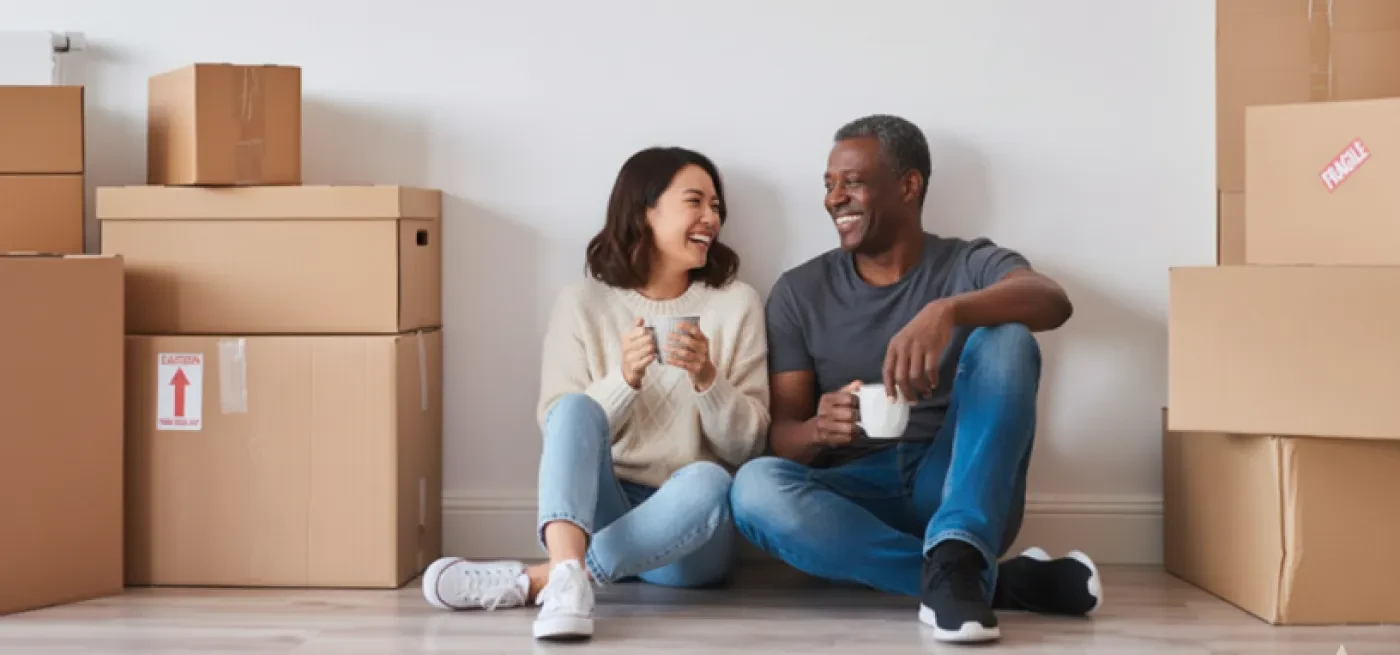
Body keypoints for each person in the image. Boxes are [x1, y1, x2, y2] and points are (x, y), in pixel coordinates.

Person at [729, 115, 1101, 644]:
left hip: (951, 481)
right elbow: (779, 437)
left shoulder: (967, 263)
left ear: (909, 185)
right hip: (857, 496)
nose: (835, 198)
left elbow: (1052, 300)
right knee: (753, 489)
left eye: (852, 182)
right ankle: (984, 580)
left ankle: (959, 547)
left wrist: (947, 312)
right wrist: (816, 430)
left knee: (1008, 338)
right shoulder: (799, 291)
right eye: (829, 184)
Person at [420, 146, 770, 641]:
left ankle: (542, 578)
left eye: (717, 207)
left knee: (712, 481)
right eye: (696, 202)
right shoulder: (582, 303)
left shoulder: (737, 304)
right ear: (644, 211)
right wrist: (624, 380)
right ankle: (568, 577)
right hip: (603, 504)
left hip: (690, 535)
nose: (711, 218)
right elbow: (558, 425)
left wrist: (708, 379)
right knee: (576, 406)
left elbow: (748, 445)